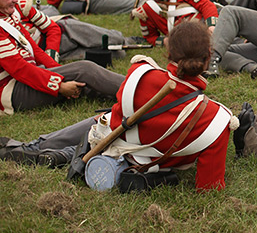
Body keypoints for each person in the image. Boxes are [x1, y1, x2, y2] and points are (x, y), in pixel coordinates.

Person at [0, 21, 236, 192]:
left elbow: (115, 121)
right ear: (209, 56)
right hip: (152, 166)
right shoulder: (217, 119)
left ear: (169, 52)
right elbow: (209, 187)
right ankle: (48, 150)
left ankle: (41, 147)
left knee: (103, 121)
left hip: (115, 143)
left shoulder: (140, 73)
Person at [0, 0, 124, 115]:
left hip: (30, 76)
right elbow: (21, 69)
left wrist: (60, 72)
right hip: (12, 90)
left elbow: (35, 50)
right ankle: (139, 88)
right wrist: (59, 85)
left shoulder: (9, 15)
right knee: (85, 69)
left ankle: (130, 96)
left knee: (82, 80)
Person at [15, 0, 142, 62]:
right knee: (117, 55)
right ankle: (126, 43)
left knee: (114, 39)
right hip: (46, 52)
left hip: (61, 31)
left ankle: (127, 40)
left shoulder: (12, 2)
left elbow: (26, 11)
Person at [132, 0, 218, 47]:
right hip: (187, 39)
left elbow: (206, 5)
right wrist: (165, 41)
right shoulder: (147, 10)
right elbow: (150, 37)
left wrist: (211, 26)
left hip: (205, 25)